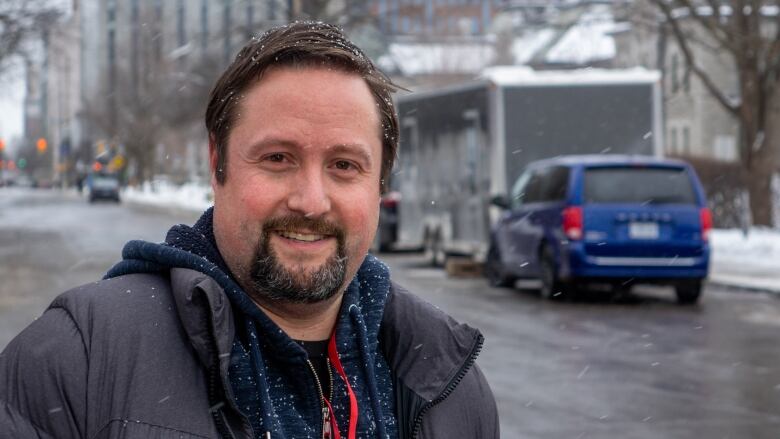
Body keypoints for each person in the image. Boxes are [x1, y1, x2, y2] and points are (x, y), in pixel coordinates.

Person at [0, 22, 498, 439]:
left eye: (344, 165)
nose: (311, 200)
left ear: (379, 183)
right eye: (278, 158)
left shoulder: (448, 381)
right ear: (218, 163)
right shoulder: (80, 358)